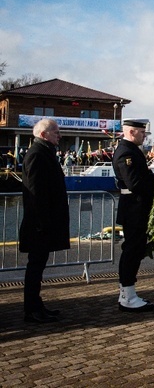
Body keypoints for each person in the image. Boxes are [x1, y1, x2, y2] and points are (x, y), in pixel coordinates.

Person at [19, 118, 70, 323]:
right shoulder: (37, 155)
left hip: (44, 223)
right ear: (43, 134)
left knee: (38, 267)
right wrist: (42, 222)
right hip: (38, 225)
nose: (59, 135)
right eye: (55, 132)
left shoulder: (45, 153)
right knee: (35, 267)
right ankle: (31, 309)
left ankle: (36, 304)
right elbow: (36, 193)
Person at [113, 118, 154, 312]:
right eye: (142, 132)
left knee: (135, 249)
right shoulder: (126, 153)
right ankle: (127, 297)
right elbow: (135, 184)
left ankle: (127, 294)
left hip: (137, 208)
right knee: (132, 250)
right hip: (134, 208)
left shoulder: (132, 151)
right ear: (132, 132)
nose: (144, 136)